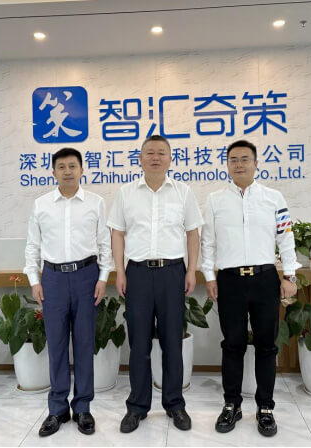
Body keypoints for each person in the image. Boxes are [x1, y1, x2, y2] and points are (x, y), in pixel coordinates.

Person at [200, 139, 299, 437]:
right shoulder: (215, 200)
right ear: (227, 165)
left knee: (267, 345)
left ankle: (265, 408)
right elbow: (208, 242)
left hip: (265, 279)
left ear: (256, 164)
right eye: (233, 160)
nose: (239, 164)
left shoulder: (274, 198)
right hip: (229, 280)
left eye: (245, 159)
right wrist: (210, 276)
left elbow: (286, 237)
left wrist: (290, 276)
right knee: (232, 344)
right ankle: (231, 404)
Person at [107, 135, 203, 434]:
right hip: (137, 273)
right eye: (150, 152)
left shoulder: (183, 192)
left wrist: (191, 271)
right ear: (140, 158)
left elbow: (193, 233)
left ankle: (175, 404)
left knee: (173, 341)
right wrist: (120, 272)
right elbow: (117, 234)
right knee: (139, 343)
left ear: (170, 158)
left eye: (162, 152)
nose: (156, 157)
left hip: (172, 272)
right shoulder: (126, 193)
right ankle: (137, 406)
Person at [23, 147, 113, 437]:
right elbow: (33, 246)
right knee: (57, 344)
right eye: (61, 167)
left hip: (87, 276)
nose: (67, 171)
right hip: (53, 279)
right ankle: (57, 409)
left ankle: (83, 407)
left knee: (85, 343)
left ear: (82, 169)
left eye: (72, 166)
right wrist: (34, 280)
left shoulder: (96, 203)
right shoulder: (41, 205)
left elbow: (104, 244)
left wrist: (103, 277)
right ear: (53, 172)